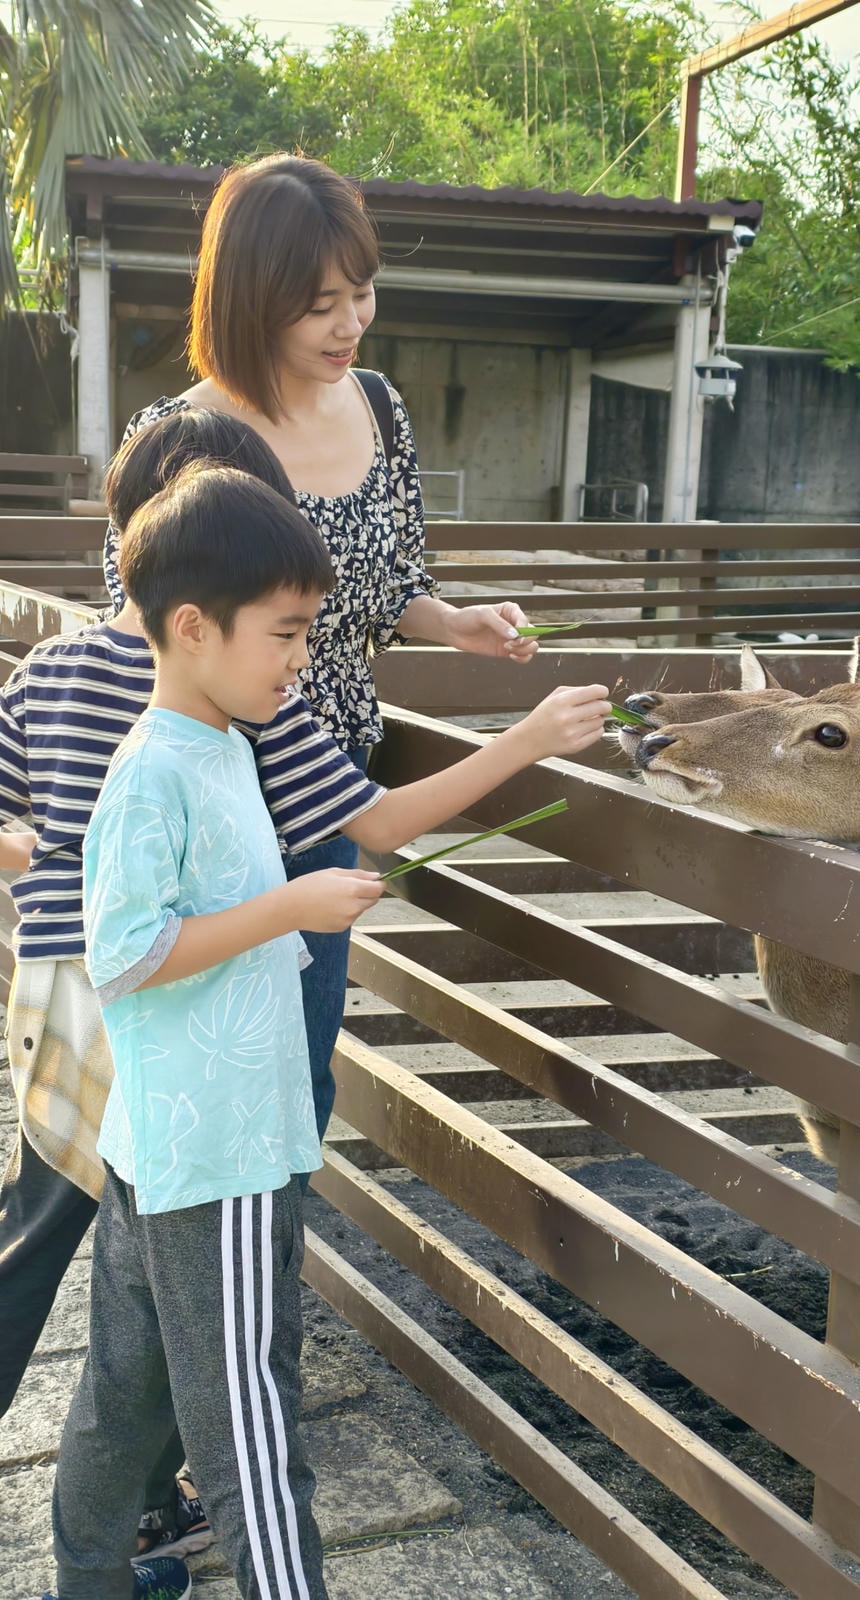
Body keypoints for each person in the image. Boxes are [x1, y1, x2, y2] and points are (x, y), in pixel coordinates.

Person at [0, 406, 610, 1584]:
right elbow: (207, 911)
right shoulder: (212, 730)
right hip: (192, 1101)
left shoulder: (121, 684)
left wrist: (57, 871)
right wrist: (294, 899)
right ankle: (179, 1533)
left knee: (77, 1289)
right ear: (197, 596)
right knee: (242, 1398)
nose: (300, 654)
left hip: (84, 1036)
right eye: (289, 626)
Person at [102, 151, 541, 1146]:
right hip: (213, 787)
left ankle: (255, 1257)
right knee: (195, 1050)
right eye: (318, 304)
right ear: (252, 303)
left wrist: (451, 620)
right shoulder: (179, 438)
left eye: (362, 293)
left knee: (300, 1055)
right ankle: (196, 1253)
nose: (349, 324)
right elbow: (140, 630)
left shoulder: (381, 407)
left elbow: (390, 579)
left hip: (329, 776)